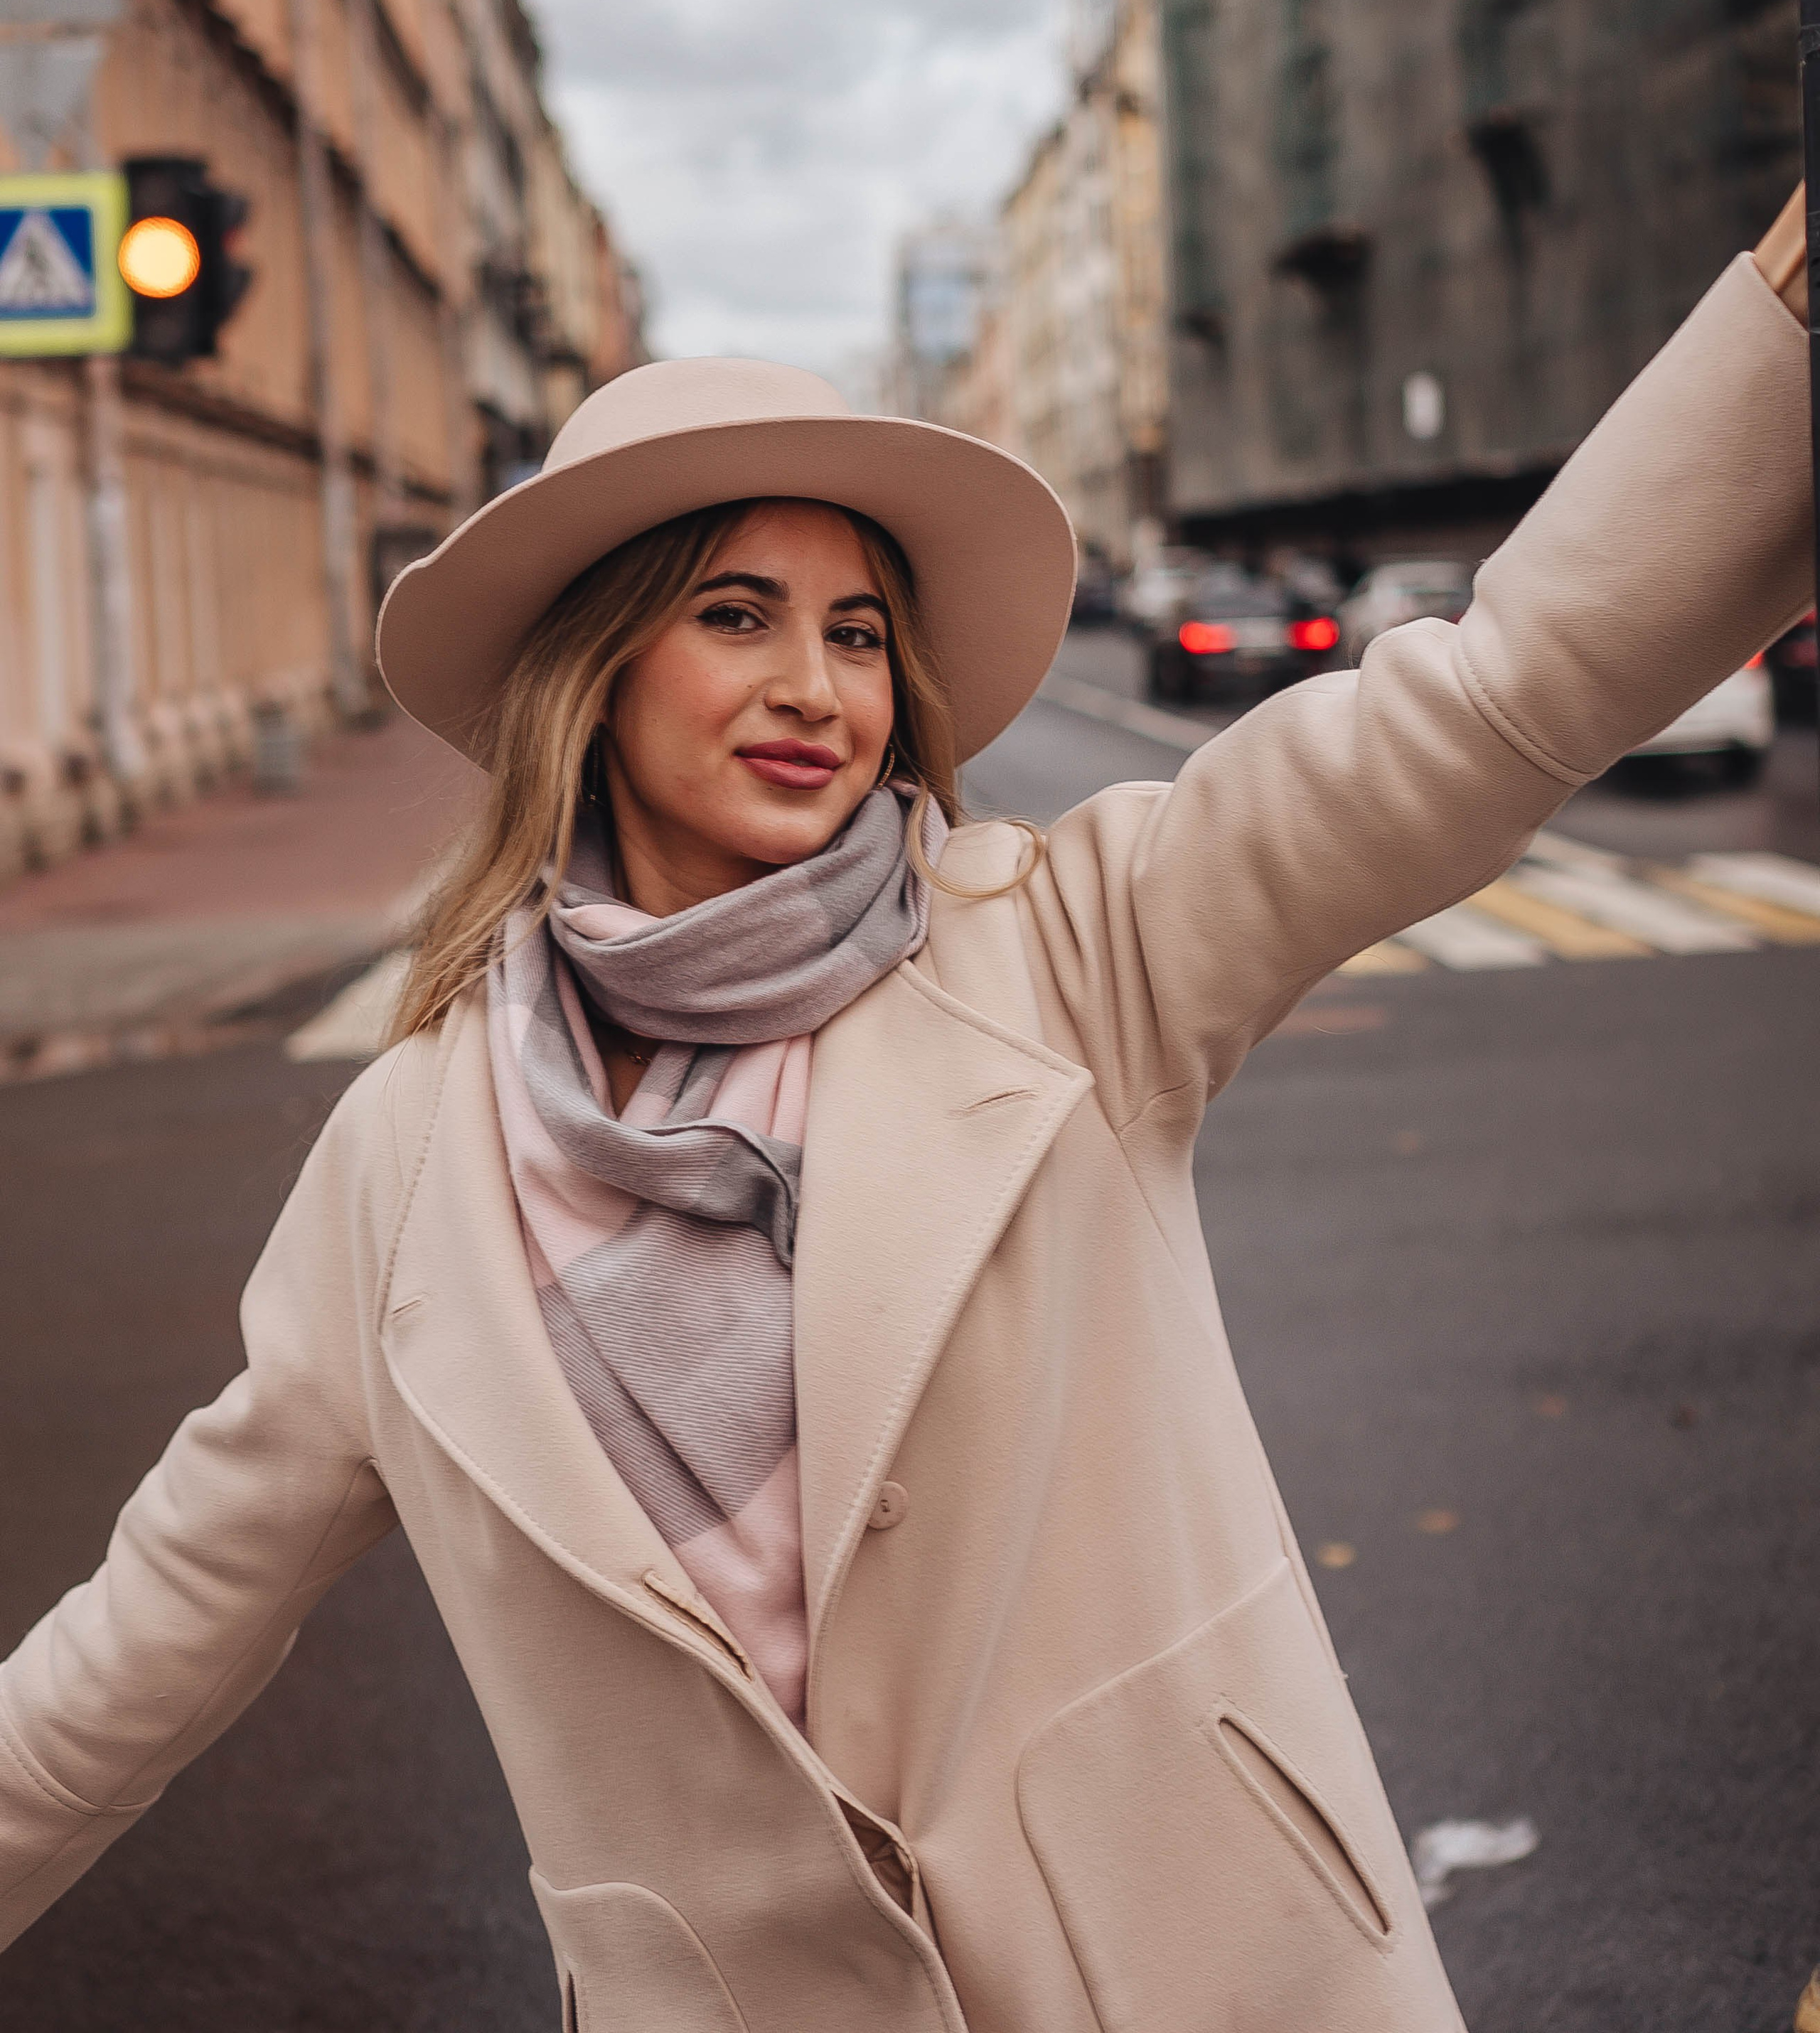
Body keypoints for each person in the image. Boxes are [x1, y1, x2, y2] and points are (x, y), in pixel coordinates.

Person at [0, 205, 1810, 2033]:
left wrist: (1780, 327)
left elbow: (1502, 688)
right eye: (734, 617)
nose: (817, 686)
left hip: (1201, 1973)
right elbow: (144, 1640)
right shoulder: (403, 1162)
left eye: (857, 632)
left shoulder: (1072, 951)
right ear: (594, 668)